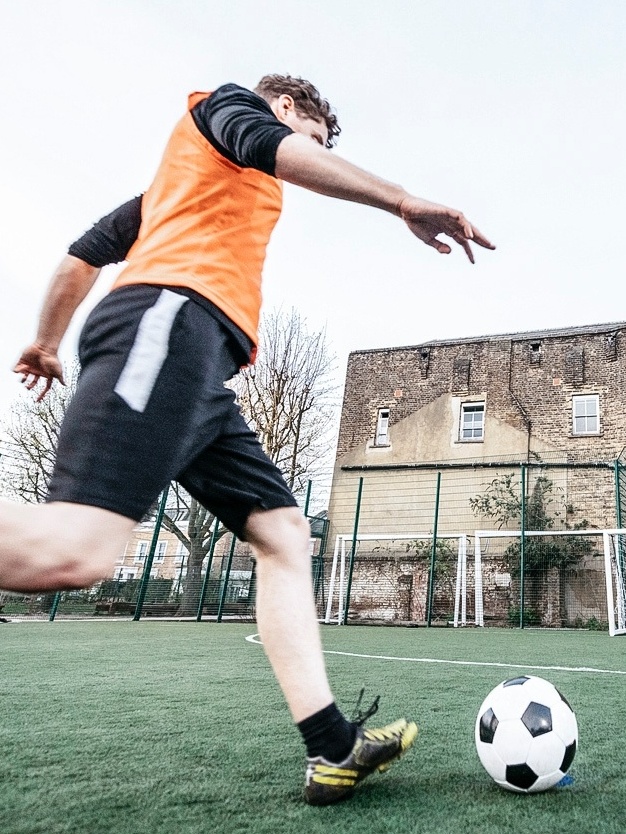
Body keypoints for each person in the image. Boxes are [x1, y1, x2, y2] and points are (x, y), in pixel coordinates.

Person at [2, 75, 495, 804]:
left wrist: (47, 343)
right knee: (78, 549)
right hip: (167, 320)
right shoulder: (229, 109)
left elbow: (81, 255)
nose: (307, 151)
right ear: (288, 108)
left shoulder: (177, 193)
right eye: (312, 137)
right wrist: (399, 199)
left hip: (204, 368)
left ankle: (332, 747)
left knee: (284, 534)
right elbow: (271, 146)